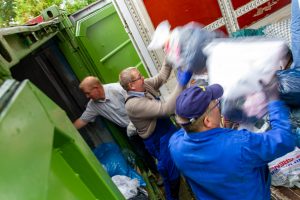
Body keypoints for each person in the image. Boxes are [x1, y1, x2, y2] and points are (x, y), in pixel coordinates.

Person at [169, 82, 296, 200]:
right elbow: (284, 138)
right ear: (207, 121)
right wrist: (274, 100)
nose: (219, 107)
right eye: (217, 104)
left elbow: (189, 127)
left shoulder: (175, 145)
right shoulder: (239, 145)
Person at [119, 62, 192, 200]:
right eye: (139, 77)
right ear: (131, 85)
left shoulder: (143, 86)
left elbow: (161, 77)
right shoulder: (133, 104)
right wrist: (181, 84)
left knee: (182, 161)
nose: (143, 78)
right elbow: (165, 110)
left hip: (169, 130)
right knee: (171, 175)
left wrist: (168, 60)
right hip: (158, 140)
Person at [73, 76, 158, 177]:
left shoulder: (117, 89)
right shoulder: (93, 106)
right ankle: (158, 173)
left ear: (96, 88)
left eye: (88, 93)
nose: (87, 96)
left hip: (143, 123)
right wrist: (66, 128)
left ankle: (171, 168)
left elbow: (140, 101)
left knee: (156, 146)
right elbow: (82, 120)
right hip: (130, 131)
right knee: (143, 153)